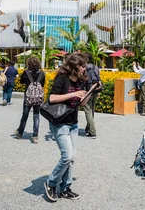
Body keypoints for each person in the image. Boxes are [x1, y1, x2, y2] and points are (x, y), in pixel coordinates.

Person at [44, 53, 90, 202]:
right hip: (60, 123)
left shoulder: (81, 81)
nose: (84, 69)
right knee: (67, 156)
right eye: (82, 66)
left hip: (73, 123)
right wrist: (74, 94)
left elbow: (81, 103)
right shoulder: (62, 78)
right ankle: (51, 183)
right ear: (74, 67)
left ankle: (65, 188)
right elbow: (52, 98)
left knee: (72, 158)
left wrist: (90, 92)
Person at [14, 56, 46, 144]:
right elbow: (42, 84)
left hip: (28, 96)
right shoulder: (42, 73)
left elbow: (21, 82)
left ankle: (20, 133)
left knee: (25, 115)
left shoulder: (26, 72)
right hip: (38, 97)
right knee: (36, 115)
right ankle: (35, 136)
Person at [83, 53, 102, 139]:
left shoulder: (84, 67)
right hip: (96, 89)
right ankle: (88, 128)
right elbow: (99, 78)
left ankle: (92, 131)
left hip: (88, 90)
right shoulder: (96, 67)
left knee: (87, 110)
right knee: (92, 110)